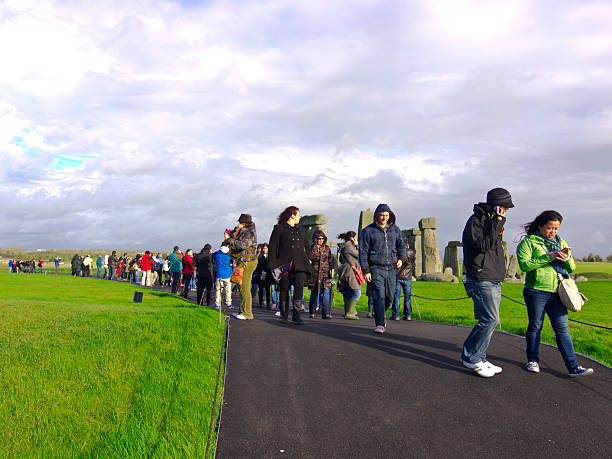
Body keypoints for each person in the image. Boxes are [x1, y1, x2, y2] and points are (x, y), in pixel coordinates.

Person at [517, 210, 594, 378]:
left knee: (562, 330)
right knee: (536, 326)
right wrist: (549, 256)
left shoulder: (561, 242)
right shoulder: (529, 242)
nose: (553, 232)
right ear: (540, 226)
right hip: (536, 291)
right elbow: (525, 265)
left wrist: (566, 259)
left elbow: (572, 268)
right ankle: (532, 360)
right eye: (549, 228)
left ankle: (573, 367)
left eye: (556, 229)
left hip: (558, 292)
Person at [461, 187, 514, 378]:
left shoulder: (491, 222)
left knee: (491, 320)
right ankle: (471, 357)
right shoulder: (476, 221)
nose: (507, 211)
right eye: (505, 208)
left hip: (493, 276)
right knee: (489, 319)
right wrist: (497, 223)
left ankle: (480, 357)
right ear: (497, 207)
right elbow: (483, 246)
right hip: (482, 277)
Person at [359, 203, 406, 334]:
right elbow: (363, 252)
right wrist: (366, 271)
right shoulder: (368, 231)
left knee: (390, 297)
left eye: (387, 215)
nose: (384, 218)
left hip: (391, 268)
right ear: (376, 216)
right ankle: (380, 323)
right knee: (379, 296)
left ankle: (380, 312)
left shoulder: (395, 229)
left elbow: (401, 245)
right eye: (382, 215)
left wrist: (402, 259)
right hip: (376, 267)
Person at [268, 206, 313, 324]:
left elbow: (306, 245)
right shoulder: (279, 229)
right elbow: (273, 247)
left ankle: (296, 315)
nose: (300, 217)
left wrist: (310, 258)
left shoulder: (301, 229)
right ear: (292, 215)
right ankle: (284, 315)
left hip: (300, 264)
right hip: (283, 264)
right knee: (284, 289)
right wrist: (272, 264)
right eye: (298, 214)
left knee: (299, 288)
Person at [225, 214, 258, 320]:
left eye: (239, 222)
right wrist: (233, 232)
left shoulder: (249, 232)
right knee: (240, 286)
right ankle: (242, 310)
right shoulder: (244, 231)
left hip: (247, 262)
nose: (238, 224)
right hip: (242, 261)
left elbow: (243, 245)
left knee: (244, 286)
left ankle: (247, 313)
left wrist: (229, 240)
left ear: (243, 223)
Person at [308, 230, 336, 319]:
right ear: (315, 239)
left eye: (322, 238)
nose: (321, 240)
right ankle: (311, 311)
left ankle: (326, 313)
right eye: (319, 238)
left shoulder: (327, 248)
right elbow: (309, 259)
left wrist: (332, 269)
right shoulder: (311, 248)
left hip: (325, 274)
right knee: (314, 294)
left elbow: (331, 260)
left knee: (326, 294)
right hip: (315, 274)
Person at [337, 231, 362, 320]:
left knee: (347, 292)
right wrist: (357, 245)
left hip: (344, 270)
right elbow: (360, 255)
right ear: (352, 238)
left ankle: (348, 311)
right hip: (351, 271)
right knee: (357, 292)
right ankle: (350, 313)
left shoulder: (343, 246)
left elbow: (340, 260)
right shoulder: (349, 246)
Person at [392, 238, 416, 320]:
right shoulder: (411, 252)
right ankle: (408, 315)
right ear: (407, 245)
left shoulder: (396, 252)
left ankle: (396, 315)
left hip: (397, 276)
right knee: (407, 297)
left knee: (396, 297)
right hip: (408, 277)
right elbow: (413, 261)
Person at [212, 243, 233, 309]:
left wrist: (219, 251)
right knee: (228, 290)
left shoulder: (217, 255)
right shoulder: (229, 256)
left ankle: (217, 304)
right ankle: (228, 303)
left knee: (218, 290)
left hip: (219, 274)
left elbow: (213, 255)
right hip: (228, 274)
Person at [253, 243, 272, 308]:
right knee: (261, 289)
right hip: (260, 274)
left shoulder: (270, 256)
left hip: (268, 275)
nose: (264, 250)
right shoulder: (259, 256)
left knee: (267, 290)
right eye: (263, 248)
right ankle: (260, 302)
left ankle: (268, 303)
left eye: (266, 248)